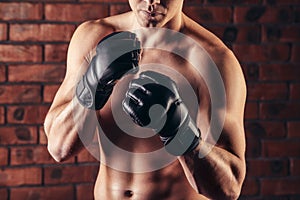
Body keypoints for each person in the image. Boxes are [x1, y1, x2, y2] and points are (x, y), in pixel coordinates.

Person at [44, 0, 247, 199]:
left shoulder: (213, 61)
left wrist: (181, 134)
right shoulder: (93, 37)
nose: (152, 1)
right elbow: (58, 148)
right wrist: (93, 84)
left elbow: (229, 188)